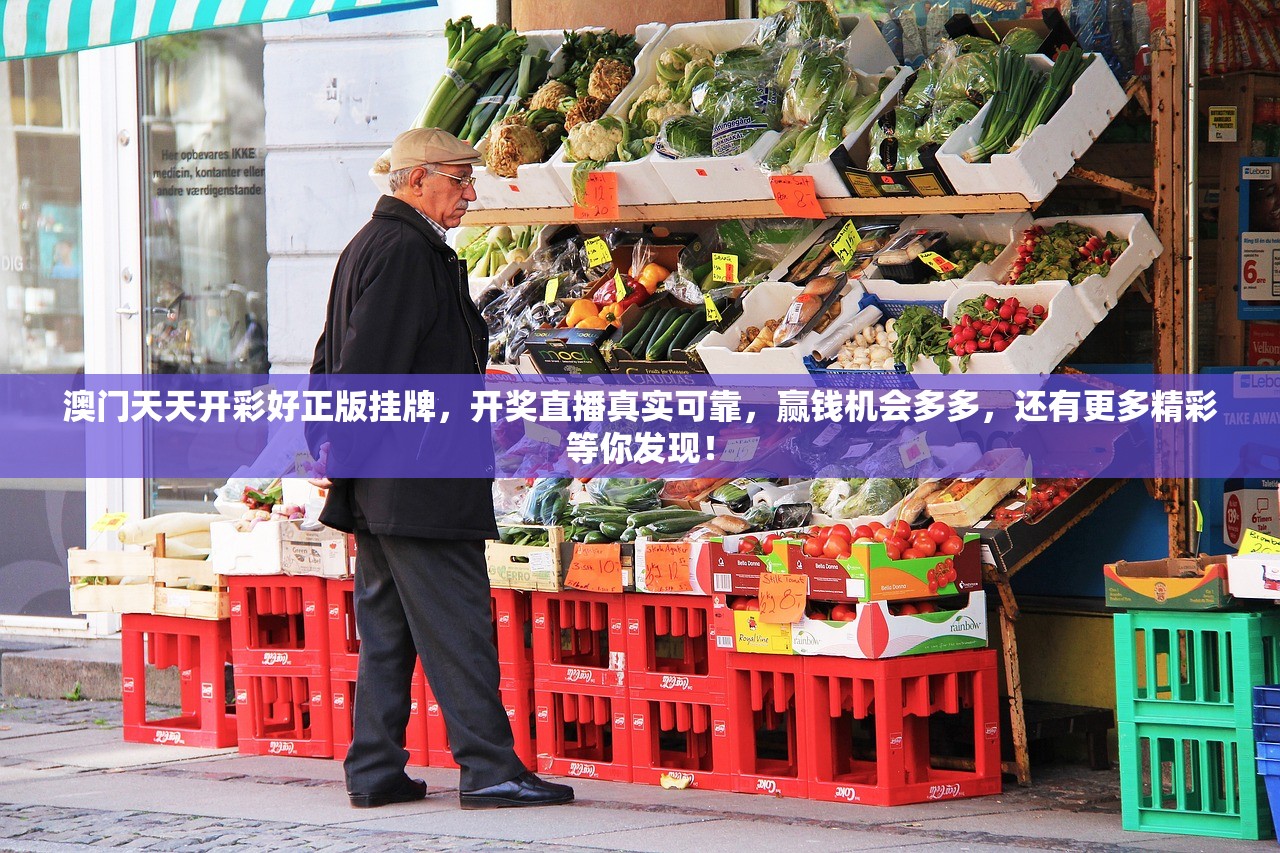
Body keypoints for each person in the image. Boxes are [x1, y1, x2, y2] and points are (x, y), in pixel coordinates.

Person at [310, 127, 574, 811]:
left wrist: (336, 454)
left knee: (389, 632)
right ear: (416, 180)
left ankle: (374, 768)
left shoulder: (373, 246)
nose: (469, 191)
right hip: (418, 480)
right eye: (458, 179)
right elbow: (368, 369)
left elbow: (329, 357)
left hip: (385, 483)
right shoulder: (405, 252)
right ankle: (489, 768)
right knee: (458, 624)